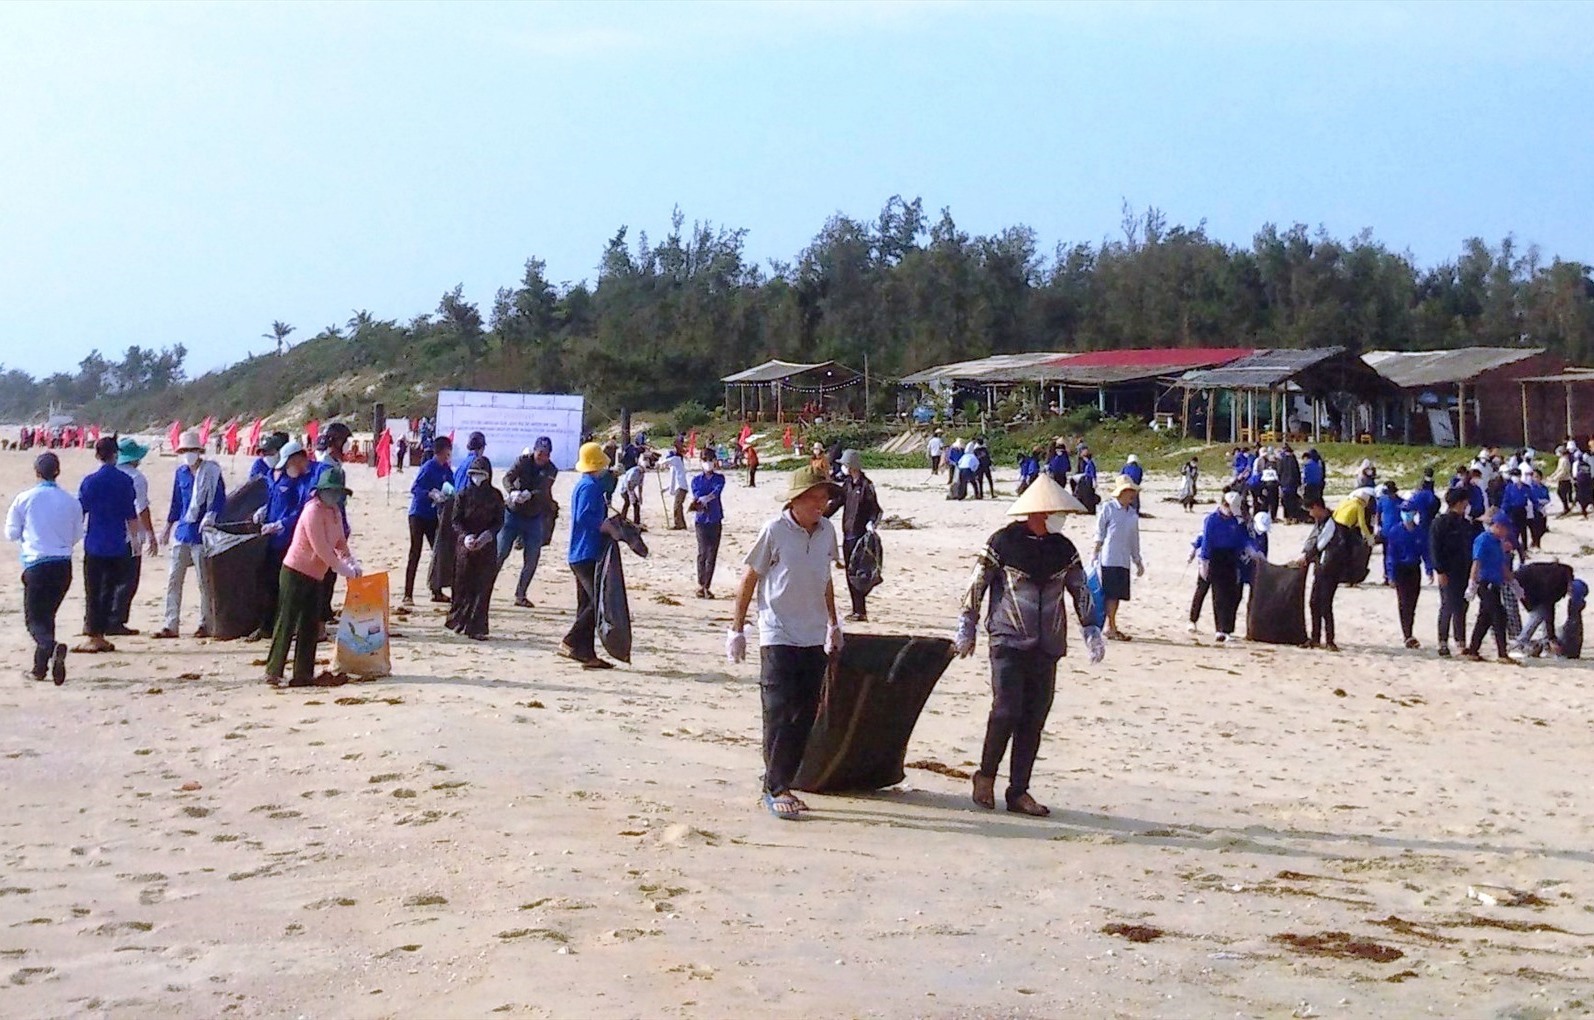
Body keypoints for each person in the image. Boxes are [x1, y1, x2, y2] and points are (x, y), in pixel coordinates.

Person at [953, 475, 1104, 818]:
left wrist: (1091, 627)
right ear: (1036, 511)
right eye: (1052, 510)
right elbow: (977, 583)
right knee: (1006, 710)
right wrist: (967, 623)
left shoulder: (1062, 548)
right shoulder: (1003, 542)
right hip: (1008, 640)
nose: (1058, 516)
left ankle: (1019, 790)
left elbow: (1080, 588)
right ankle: (986, 775)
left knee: (1034, 719)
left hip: (1048, 645)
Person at [726, 465, 845, 820]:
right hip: (777, 631)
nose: (820, 505)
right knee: (778, 710)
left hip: (813, 634)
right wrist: (737, 629)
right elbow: (750, 578)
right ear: (796, 501)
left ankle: (783, 780)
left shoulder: (827, 532)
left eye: (824, 498)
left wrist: (834, 623)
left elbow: (825, 579)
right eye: (814, 498)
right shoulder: (774, 531)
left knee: (805, 713)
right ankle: (775, 786)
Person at [265, 465, 360, 687]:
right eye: (331, 491)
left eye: (338, 493)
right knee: (286, 621)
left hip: (316, 575)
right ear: (321, 491)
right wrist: (343, 569)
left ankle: (303, 673)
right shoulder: (312, 511)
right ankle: (273, 670)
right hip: (295, 572)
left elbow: (340, 544)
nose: (335, 496)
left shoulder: (335, 512)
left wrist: (351, 562)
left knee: (310, 625)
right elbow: (322, 549)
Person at [7, 453, 81, 684]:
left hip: (37, 563)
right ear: (57, 472)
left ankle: (51, 647)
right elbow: (77, 535)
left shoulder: (25, 498)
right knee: (47, 616)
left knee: (34, 621)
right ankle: (40, 668)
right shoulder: (70, 501)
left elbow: (11, 533)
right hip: (63, 565)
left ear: (36, 472)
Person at [155, 429, 224, 639]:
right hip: (183, 532)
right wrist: (167, 528)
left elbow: (219, 501)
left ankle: (206, 623)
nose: (188, 454)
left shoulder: (211, 472)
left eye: (192, 450)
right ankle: (170, 624)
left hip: (202, 535)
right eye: (185, 450)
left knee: (205, 582)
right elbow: (176, 502)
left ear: (199, 451)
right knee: (174, 580)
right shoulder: (181, 473)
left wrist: (211, 517)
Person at [75, 436, 138, 654]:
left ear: (97, 455)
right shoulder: (125, 481)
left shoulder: (90, 481)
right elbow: (131, 514)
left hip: (94, 541)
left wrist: (72, 537)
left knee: (92, 590)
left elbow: (81, 511)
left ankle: (93, 634)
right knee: (109, 589)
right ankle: (100, 633)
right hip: (117, 542)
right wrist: (136, 540)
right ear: (116, 454)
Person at [561, 442, 617, 670]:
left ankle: (585, 652)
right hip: (585, 552)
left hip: (581, 551)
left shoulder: (587, 484)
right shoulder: (589, 487)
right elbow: (584, 517)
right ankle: (571, 640)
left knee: (585, 603)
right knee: (597, 603)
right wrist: (604, 526)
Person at [253, 440, 311, 641]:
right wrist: (263, 513)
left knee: (289, 587)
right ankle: (266, 626)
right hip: (271, 540)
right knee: (268, 584)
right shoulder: (275, 478)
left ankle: (289, 626)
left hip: (290, 541)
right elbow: (271, 502)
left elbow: (301, 511)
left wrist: (281, 524)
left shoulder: (301, 483)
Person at [446, 456, 505, 640]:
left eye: (481, 474)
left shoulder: (496, 496)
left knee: (482, 587)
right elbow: (455, 520)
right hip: (466, 547)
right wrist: (465, 537)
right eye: (474, 474)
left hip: (486, 547)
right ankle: (459, 621)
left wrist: (487, 535)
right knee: (463, 585)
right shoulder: (463, 495)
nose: (477, 478)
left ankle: (477, 627)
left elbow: (499, 521)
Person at [499, 438, 558, 609]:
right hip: (512, 513)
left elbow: (544, 490)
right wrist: (513, 492)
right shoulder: (522, 461)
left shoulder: (551, 469)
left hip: (534, 516)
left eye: (546, 454)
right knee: (501, 552)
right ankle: (484, 587)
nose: (543, 457)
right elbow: (507, 478)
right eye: (540, 453)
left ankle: (521, 594)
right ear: (534, 450)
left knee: (532, 558)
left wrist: (531, 495)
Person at [828, 449, 883, 622]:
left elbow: (876, 510)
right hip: (847, 536)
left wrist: (872, 524)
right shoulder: (847, 485)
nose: (842, 467)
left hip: (861, 537)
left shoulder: (866, 486)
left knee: (860, 573)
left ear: (852, 466)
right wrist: (819, 517)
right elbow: (836, 504)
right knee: (850, 573)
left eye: (844, 464)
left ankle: (860, 610)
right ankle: (857, 609)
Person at [1196, 491, 1256, 643]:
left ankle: (1228, 629)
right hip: (1216, 557)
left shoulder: (1235, 521)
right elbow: (1207, 541)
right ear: (1224, 504)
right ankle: (1219, 630)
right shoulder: (1211, 520)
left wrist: (1253, 551)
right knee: (1218, 595)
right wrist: (1204, 561)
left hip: (1231, 557)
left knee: (1232, 594)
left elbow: (1242, 540)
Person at [110, 437, 157, 635]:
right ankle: (117, 619)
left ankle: (105, 617)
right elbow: (142, 508)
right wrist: (150, 533)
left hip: (109, 533)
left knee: (109, 579)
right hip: (131, 535)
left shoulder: (111, 475)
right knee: (128, 580)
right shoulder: (137, 478)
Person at [1430, 488, 1480, 658]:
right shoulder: (1440, 523)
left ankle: (1460, 641)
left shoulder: (1466, 524)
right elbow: (1435, 548)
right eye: (1465, 502)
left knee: (1463, 606)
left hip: (1464, 569)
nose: (1467, 505)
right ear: (1459, 503)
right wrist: (1440, 570)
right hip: (1448, 570)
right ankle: (1442, 641)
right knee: (1448, 605)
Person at [1092, 476, 1144, 641]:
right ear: (1122, 492)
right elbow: (1100, 533)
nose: (1133, 495)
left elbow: (1134, 539)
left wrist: (1138, 560)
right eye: (1130, 491)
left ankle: (1111, 625)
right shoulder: (1108, 508)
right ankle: (1110, 626)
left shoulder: (1132, 514)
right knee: (1110, 594)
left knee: (1118, 595)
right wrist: (1095, 554)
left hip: (1124, 559)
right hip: (1109, 557)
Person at [1463, 513, 1518, 665]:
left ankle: (1473, 650)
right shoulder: (1483, 540)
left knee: (1485, 618)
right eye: (1506, 529)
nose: (1507, 533)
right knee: (1499, 615)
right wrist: (1472, 584)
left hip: (1495, 583)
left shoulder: (1497, 542)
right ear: (1498, 526)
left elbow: (1501, 565)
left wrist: (1514, 583)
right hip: (1484, 582)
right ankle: (1502, 653)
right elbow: (1477, 562)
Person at [1293, 497, 1346, 652]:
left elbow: (1320, 543)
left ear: (1317, 507)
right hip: (1320, 569)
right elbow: (1312, 541)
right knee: (1314, 602)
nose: (1310, 513)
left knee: (1325, 604)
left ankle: (1330, 640)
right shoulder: (1320, 523)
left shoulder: (1330, 524)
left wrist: (1306, 557)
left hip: (1331, 569)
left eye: (1311, 510)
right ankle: (1315, 638)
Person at [405, 436, 452, 605]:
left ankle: (436, 590)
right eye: (447, 451)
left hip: (434, 516)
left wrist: (447, 494)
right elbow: (415, 488)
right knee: (415, 552)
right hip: (418, 514)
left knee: (438, 552)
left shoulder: (446, 469)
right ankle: (408, 594)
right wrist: (430, 493)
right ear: (441, 451)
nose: (449, 455)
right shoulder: (429, 467)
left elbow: (452, 488)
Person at [1512, 561, 1575, 657]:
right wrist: (1552, 638)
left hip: (1530, 583)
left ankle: (1547, 645)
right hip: (1521, 582)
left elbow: (1549, 608)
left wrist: (1551, 637)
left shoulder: (1563, 575)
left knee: (1543, 612)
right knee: (1538, 614)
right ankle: (1520, 643)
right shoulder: (1556, 584)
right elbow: (1548, 606)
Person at [1387, 500, 1427, 649]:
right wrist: (1391, 575)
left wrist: (1429, 569)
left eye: (1409, 511)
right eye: (1404, 511)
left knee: (1413, 602)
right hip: (1400, 569)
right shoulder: (1395, 531)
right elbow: (1391, 555)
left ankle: (1409, 630)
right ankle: (1407, 634)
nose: (1406, 514)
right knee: (1404, 603)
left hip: (1414, 569)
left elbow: (1425, 551)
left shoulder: (1419, 531)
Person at [691, 449, 726, 599]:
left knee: (712, 554)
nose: (708, 462)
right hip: (701, 520)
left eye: (711, 459)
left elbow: (717, 491)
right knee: (702, 553)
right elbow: (696, 493)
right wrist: (700, 499)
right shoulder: (696, 480)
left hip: (715, 519)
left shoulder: (720, 478)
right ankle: (700, 584)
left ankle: (707, 586)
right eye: (705, 459)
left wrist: (707, 498)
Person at [1375, 482, 1404, 585]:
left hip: (1397, 533)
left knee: (1396, 555)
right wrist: (1378, 526)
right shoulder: (1382, 500)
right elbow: (1378, 514)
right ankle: (1387, 576)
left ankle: (1395, 576)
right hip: (1386, 531)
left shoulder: (1401, 502)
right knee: (1386, 554)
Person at [664, 441, 689, 530]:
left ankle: (679, 524)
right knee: (678, 506)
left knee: (677, 506)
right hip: (681, 487)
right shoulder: (675, 466)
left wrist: (657, 464)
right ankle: (681, 524)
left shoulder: (676, 459)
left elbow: (664, 461)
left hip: (681, 487)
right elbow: (673, 481)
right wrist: (666, 489)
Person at [1559, 579, 1586, 659]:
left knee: (1571, 629)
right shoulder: (1579, 602)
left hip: (1571, 636)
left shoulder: (1574, 602)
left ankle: (1568, 651)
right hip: (1575, 625)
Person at [619, 458, 647, 528]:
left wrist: (640, 496)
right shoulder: (635, 471)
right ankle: (622, 520)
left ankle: (637, 522)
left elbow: (640, 486)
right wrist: (630, 494)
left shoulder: (642, 474)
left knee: (636, 504)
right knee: (627, 503)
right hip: (625, 489)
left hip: (631, 489)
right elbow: (628, 482)